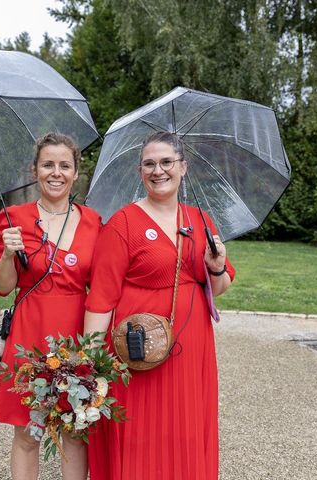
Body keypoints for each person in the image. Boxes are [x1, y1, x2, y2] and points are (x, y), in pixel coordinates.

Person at [83, 132, 236, 480]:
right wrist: (88, 364)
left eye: (166, 162)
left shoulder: (201, 221)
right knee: (141, 432)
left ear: (183, 167)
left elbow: (220, 287)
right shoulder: (123, 223)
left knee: (185, 428)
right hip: (138, 347)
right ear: (140, 171)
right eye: (149, 164)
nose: (158, 170)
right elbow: (101, 297)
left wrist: (216, 266)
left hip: (190, 347)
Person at [0, 132, 100, 480]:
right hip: (29, 332)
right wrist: (8, 253)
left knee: (74, 430)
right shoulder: (13, 218)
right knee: (27, 431)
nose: (56, 172)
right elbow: (2, 286)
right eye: (48, 164)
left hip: (75, 337)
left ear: (75, 172)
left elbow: (101, 286)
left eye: (64, 165)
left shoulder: (94, 222)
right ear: (34, 169)